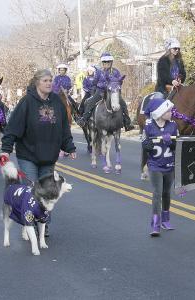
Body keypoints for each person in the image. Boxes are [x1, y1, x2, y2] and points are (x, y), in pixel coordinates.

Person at [0, 69, 77, 237]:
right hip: (28, 155)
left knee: (48, 192)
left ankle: (43, 223)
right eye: (45, 80)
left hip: (49, 156)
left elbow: (64, 128)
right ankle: (30, 223)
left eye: (50, 80)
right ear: (37, 83)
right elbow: (13, 128)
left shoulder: (57, 102)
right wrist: (5, 150)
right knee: (32, 190)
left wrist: (69, 147)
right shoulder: (26, 102)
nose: (49, 83)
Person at [141, 95, 178, 237]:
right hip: (155, 165)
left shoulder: (173, 126)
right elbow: (145, 144)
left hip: (169, 165)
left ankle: (165, 220)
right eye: (168, 111)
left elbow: (177, 147)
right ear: (159, 112)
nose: (171, 113)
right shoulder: (149, 126)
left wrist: (171, 142)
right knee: (157, 193)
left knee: (166, 193)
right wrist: (149, 144)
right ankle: (155, 224)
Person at [77, 52, 134, 131]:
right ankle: (84, 119)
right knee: (90, 102)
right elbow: (94, 82)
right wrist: (94, 90)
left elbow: (119, 81)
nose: (106, 63)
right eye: (104, 62)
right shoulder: (99, 71)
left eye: (108, 62)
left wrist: (117, 86)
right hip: (101, 91)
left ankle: (127, 122)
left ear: (111, 62)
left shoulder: (115, 71)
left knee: (123, 103)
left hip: (113, 92)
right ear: (102, 62)